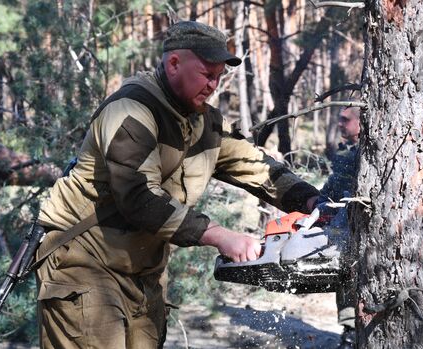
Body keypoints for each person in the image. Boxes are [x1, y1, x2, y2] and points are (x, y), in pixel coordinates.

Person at [34, 21, 320, 348]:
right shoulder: (130, 110)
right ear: (173, 64)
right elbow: (138, 197)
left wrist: (314, 202)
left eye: (219, 77)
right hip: (84, 263)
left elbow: (256, 167)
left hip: (142, 272)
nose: (214, 84)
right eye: (207, 74)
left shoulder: (205, 121)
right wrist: (219, 235)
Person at [320, 106, 360, 349]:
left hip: (362, 224)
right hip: (343, 225)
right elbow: (333, 185)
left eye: (346, 120)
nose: (340, 124)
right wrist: (316, 202)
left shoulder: (370, 152)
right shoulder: (345, 151)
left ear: (361, 123)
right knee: (345, 274)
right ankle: (349, 330)